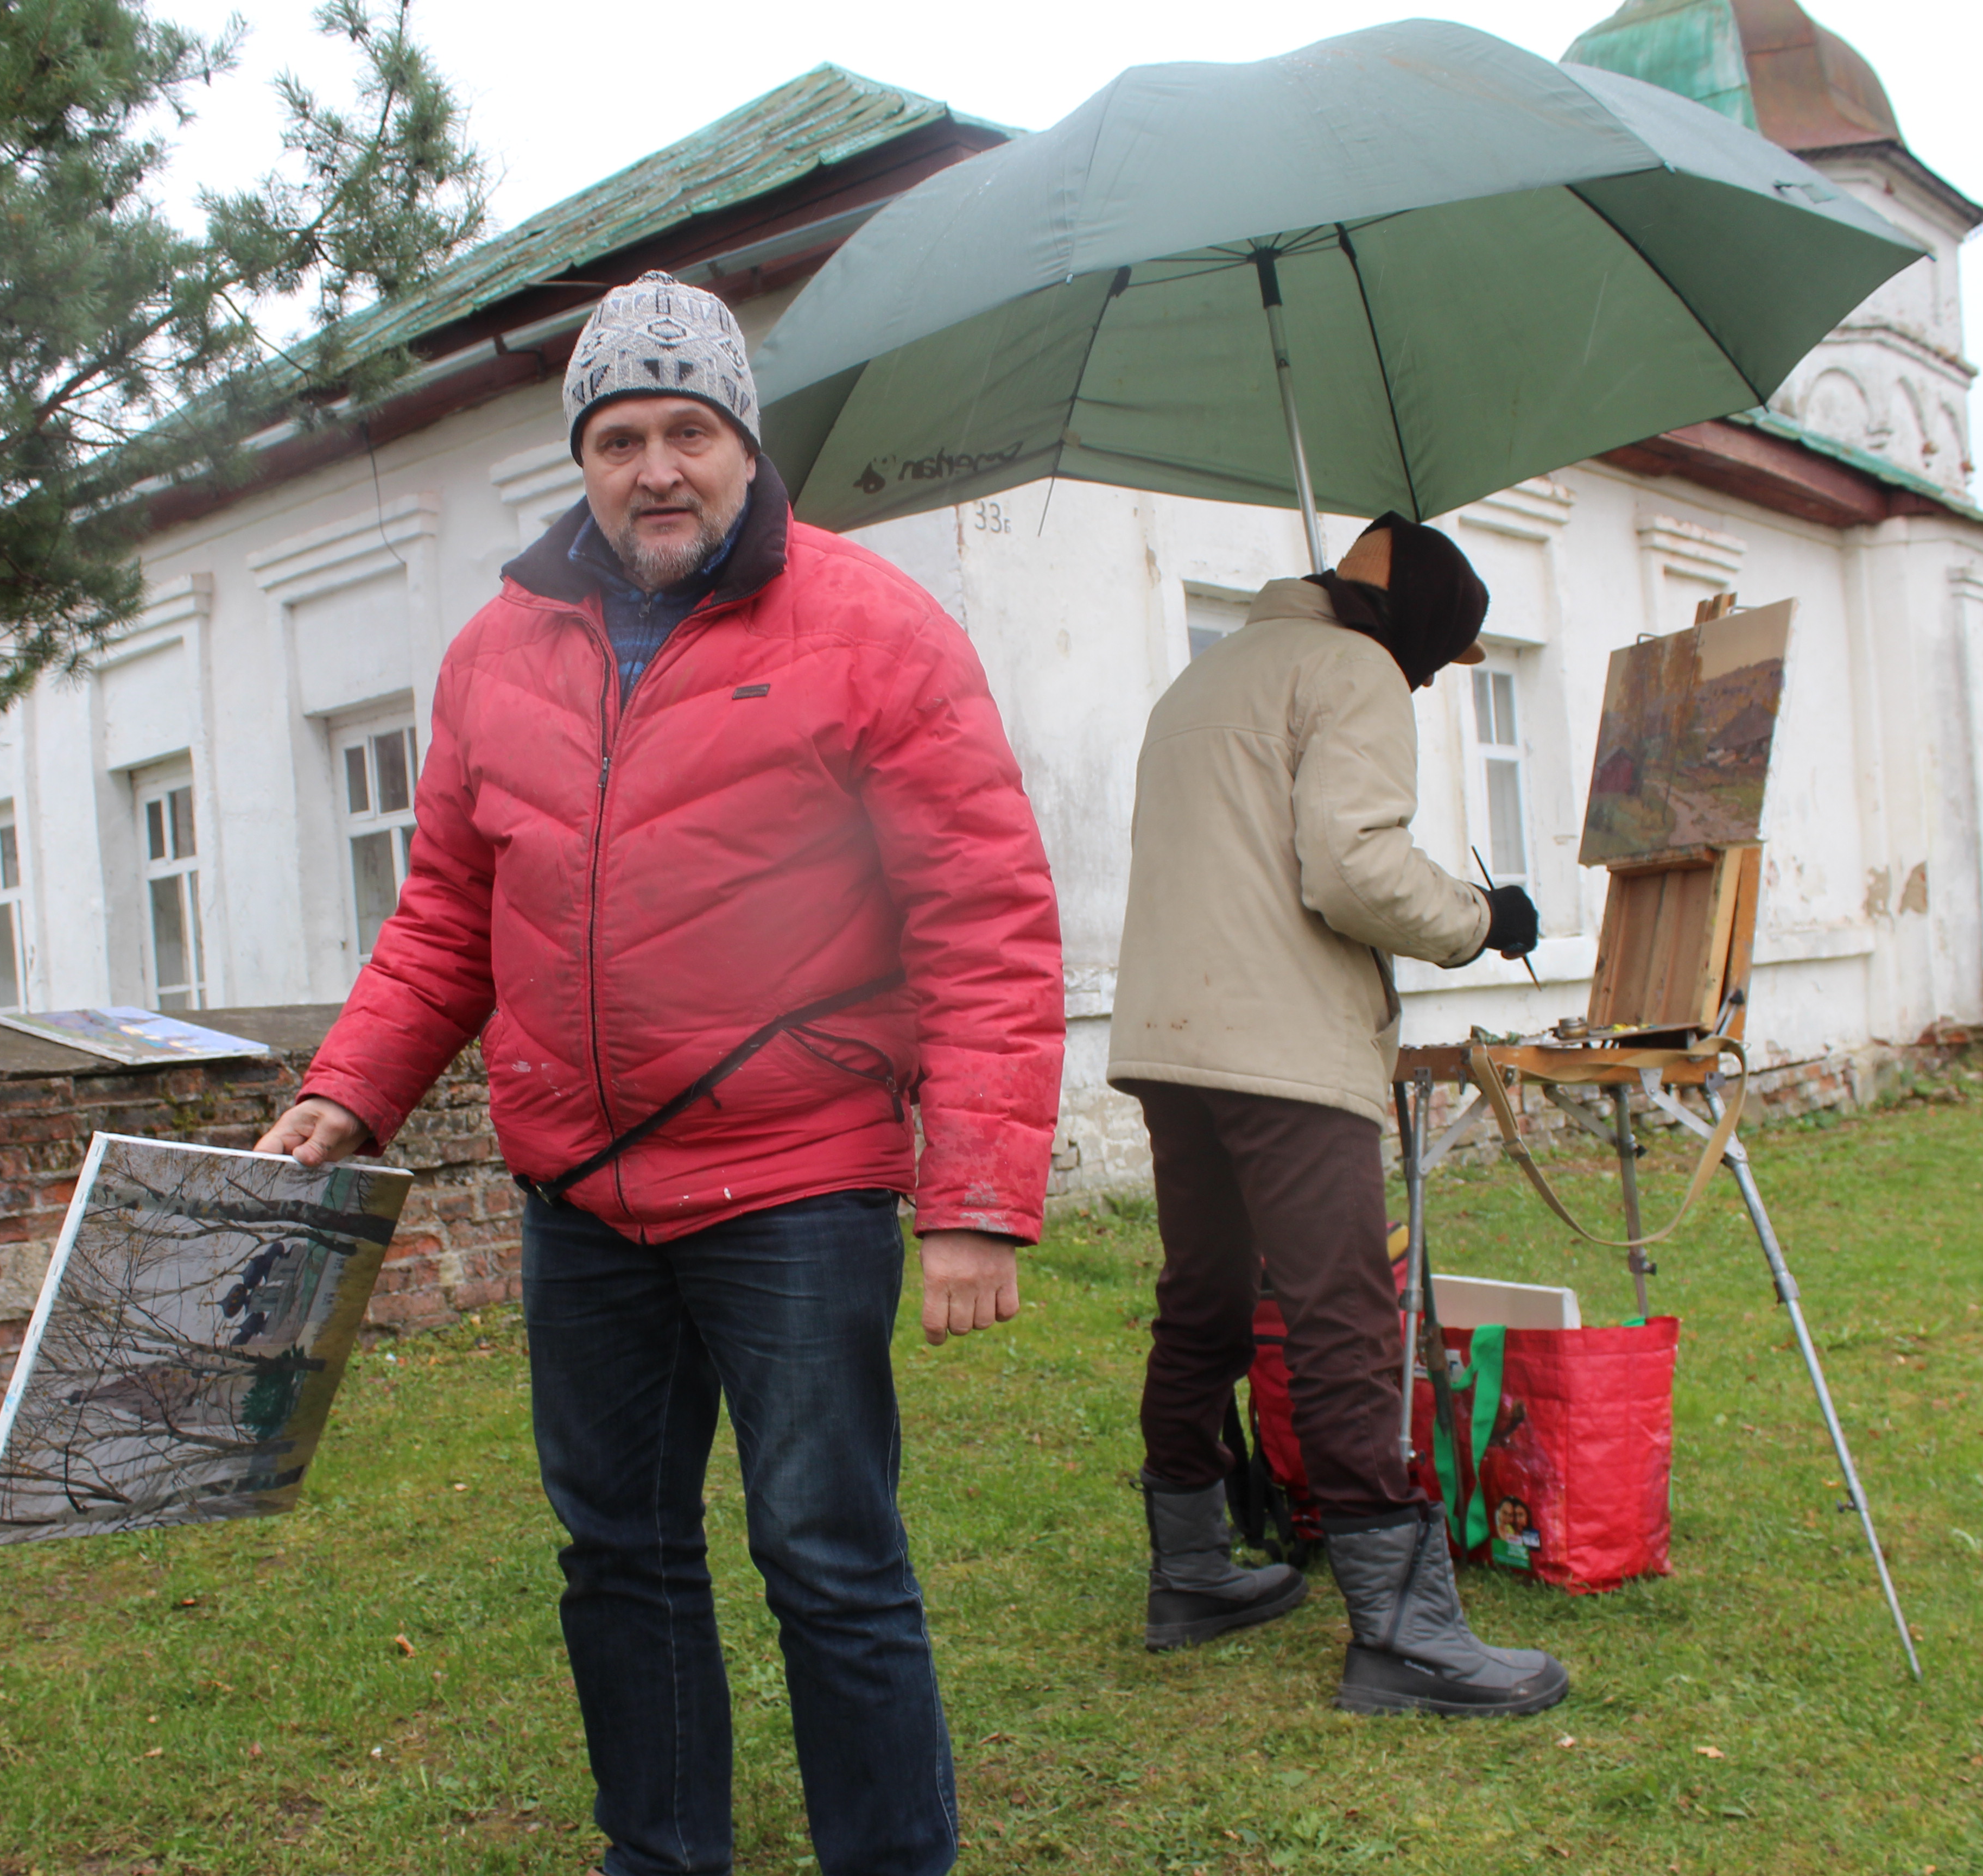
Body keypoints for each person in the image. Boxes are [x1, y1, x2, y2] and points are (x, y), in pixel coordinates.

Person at [257, 271, 1065, 1875]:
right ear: (581, 458)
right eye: (620, 437)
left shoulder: (875, 630)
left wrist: (973, 1196)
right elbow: (445, 919)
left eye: (689, 431)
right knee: (616, 1553)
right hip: (581, 1199)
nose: (655, 470)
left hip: (794, 1181)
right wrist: (349, 1089)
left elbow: (985, 915)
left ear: (745, 444)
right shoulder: (496, 652)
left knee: (828, 1554)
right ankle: (663, 1850)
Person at [1104, 512, 1567, 1717]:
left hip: (1174, 1037)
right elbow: (1350, 868)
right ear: (1417, 634)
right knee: (1344, 1321)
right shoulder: (1351, 666)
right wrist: (1481, 917)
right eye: (1433, 661)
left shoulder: (1203, 678)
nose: (1417, 680)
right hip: (1281, 1046)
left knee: (1203, 1302)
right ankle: (1402, 1636)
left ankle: (1193, 1572)